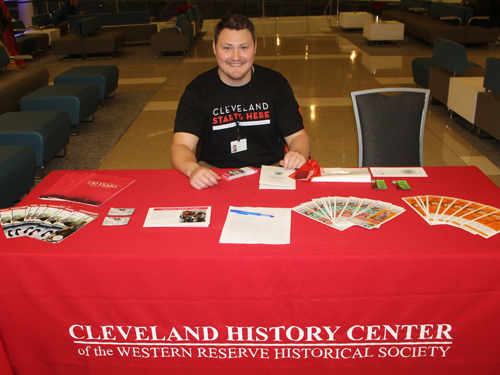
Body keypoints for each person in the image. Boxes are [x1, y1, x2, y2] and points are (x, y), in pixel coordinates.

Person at [171, 14, 310, 190]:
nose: (236, 57)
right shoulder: (197, 91)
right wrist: (193, 170)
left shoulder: (275, 84)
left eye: (244, 47)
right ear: (214, 48)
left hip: (270, 174)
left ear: (255, 47)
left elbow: (298, 136)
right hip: (214, 177)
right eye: (227, 48)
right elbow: (181, 146)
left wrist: (298, 154)